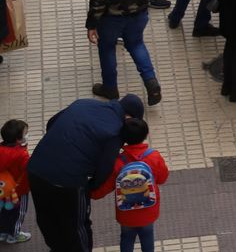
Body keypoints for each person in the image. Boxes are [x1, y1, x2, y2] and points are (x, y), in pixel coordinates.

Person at [26, 94, 146, 252]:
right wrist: (90, 188)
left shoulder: (83, 103)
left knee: (47, 217)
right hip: (68, 181)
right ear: (128, 117)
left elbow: (51, 123)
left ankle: (56, 248)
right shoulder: (115, 131)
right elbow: (104, 168)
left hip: (36, 168)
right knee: (77, 225)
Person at [89, 116, 167, 252]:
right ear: (145, 135)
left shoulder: (117, 162)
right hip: (149, 209)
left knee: (126, 237)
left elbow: (105, 187)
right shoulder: (154, 157)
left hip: (126, 212)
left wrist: (90, 193)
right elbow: (162, 178)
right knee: (147, 236)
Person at [0, 118, 29, 243]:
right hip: (18, 190)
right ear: (18, 139)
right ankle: (14, 235)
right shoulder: (22, 155)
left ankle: (2, 233)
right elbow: (27, 173)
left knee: (3, 210)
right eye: (25, 133)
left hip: (2, 188)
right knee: (18, 212)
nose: (27, 135)